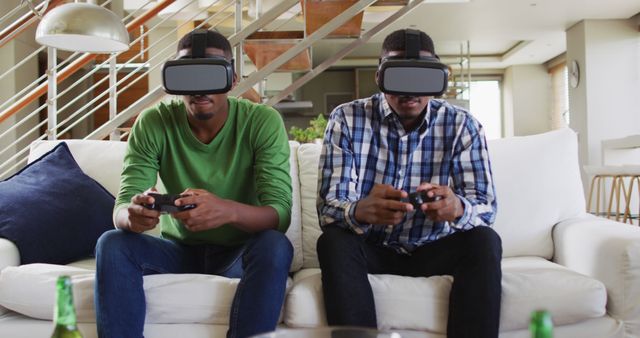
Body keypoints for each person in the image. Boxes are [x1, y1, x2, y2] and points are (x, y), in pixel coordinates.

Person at [94, 29, 293, 338]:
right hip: (178, 251)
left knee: (275, 245)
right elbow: (122, 207)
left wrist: (227, 211)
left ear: (233, 79)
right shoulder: (153, 123)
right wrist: (132, 217)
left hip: (237, 252)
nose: (200, 90)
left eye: (210, 75)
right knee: (113, 242)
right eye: (190, 76)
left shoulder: (261, 121)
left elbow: (279, 214)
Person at [316, 28, 501, 338]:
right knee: (334, 241)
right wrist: (361, 210)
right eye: (399, 77)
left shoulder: (462, 125)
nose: (410, 91)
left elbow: (486, 207)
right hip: (371, 247)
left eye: (422, 78)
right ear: (380, 76)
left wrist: (456, 208)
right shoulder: (346, 119)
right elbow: (329, 209)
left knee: (485, 241)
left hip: (434, 248)